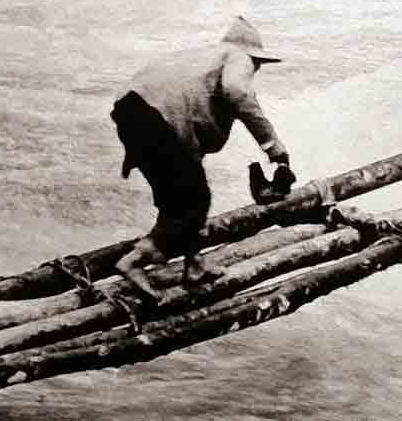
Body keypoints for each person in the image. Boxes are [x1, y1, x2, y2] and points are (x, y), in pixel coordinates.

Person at [110, 16, 294, 305]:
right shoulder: (237, 57)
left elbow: (186, 115)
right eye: (257, 63)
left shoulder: (200, 60)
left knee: (182, 198)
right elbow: (238, 92)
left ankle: (194, 265)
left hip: (130, 112)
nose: (256, 69)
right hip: (153, 117)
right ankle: (135, 259)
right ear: (252, 56)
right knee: (195, 200)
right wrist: (272, 145)